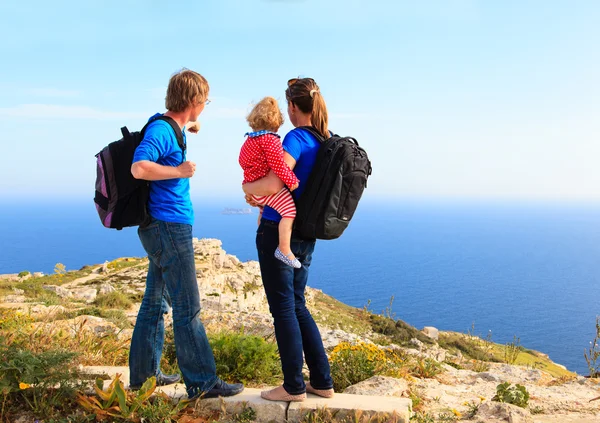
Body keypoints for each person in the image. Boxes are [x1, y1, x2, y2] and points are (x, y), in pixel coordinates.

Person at [129, 69, 244, 400]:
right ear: (193, 101)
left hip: (160, 225)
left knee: (154, 302)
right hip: (168, 227)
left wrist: (191, 124)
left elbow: (182, 126)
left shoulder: (170, 125)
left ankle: (143, 377)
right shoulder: (163, 131)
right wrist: (179, 171)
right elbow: (139, 167)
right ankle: (202, 382)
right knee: (187, 306)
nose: (206, 106)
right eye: (204, 101)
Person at [242, 78, 335, 402]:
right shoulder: (324, 139)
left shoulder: (296, 138)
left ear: (293, 107)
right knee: (297, 304)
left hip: (277, 231)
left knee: (283, 308)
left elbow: (275, 179)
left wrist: (248, 189)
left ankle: (293, 386)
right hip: (306, 233)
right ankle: (322, 381)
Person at [239, 96, 301, 268]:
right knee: (289, 212)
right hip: (266, 189)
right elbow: (279, 165)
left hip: (255, 189)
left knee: (263, 211)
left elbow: (242, 162)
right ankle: (284, 249)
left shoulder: (249, 140)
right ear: (276, 122)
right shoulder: (271, 140)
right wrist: (291, 180)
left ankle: (261, 231)